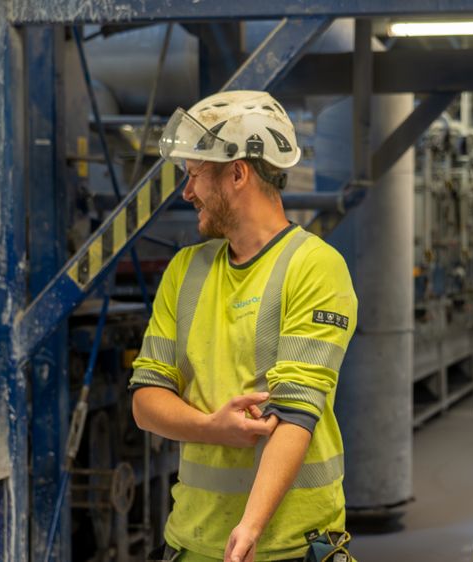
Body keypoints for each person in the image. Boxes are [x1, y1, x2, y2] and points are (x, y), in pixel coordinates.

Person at [129, 90, 357, 562]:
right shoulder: (185, 270)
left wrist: (249, 529)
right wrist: (212, 427)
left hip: (284, 547)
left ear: (237, 172)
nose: (187, 192)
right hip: (190, 541)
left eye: (194, 176)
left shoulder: (314, 266)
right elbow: (145, 400)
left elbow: (297, 412)